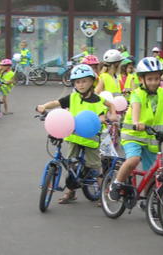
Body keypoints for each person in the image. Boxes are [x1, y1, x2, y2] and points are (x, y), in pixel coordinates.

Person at [35, 64, 108, 204]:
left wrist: (102, 120)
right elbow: (56, 102)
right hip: (74, 136)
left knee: (94, 165)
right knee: (71, 165)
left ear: (92, 82)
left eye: (84, 81)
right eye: (78, 82)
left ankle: (102, 193)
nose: (81, 85)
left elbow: (101, 115)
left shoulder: (97, 100)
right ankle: (71, 192)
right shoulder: (73, 97)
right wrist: (44, 106)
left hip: (90, 137)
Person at [111, 57, 163, 200]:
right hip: (133, 134)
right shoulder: (137, 94)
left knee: (153, 173)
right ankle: (117, 183)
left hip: (152, 137)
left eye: (156, 78)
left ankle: (148, 199)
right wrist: (136, 121)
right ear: (142, 80)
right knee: (133, 160)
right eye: (150, 79)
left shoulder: (161, 94)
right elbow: (136, 107)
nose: (154, 82)